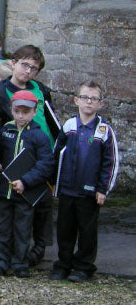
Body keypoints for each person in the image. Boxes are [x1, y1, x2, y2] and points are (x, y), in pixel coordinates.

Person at [0, 45, 58, 268]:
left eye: (33, 68)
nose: (28, 71)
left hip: (43, 153)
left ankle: (38, 248)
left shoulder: (41, 90)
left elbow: (51, 120)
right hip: (16, 160)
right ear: (13, 63)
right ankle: (8, 256)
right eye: (24, 64)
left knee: (42, 206)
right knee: (16, 212)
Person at [50, 81, 119, 283]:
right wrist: (55, 181)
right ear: (76, 100)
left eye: (94, 99)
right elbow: (57, 155)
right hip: (67, 189)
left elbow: (111, 163)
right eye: (85, 97)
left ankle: (83, 266)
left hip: (89, 192)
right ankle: (63, 264)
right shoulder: (69, 126)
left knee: (87, 231)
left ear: (100, 104)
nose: (89, 102)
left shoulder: (104, 131)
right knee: (65, 229)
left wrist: (103, 189)